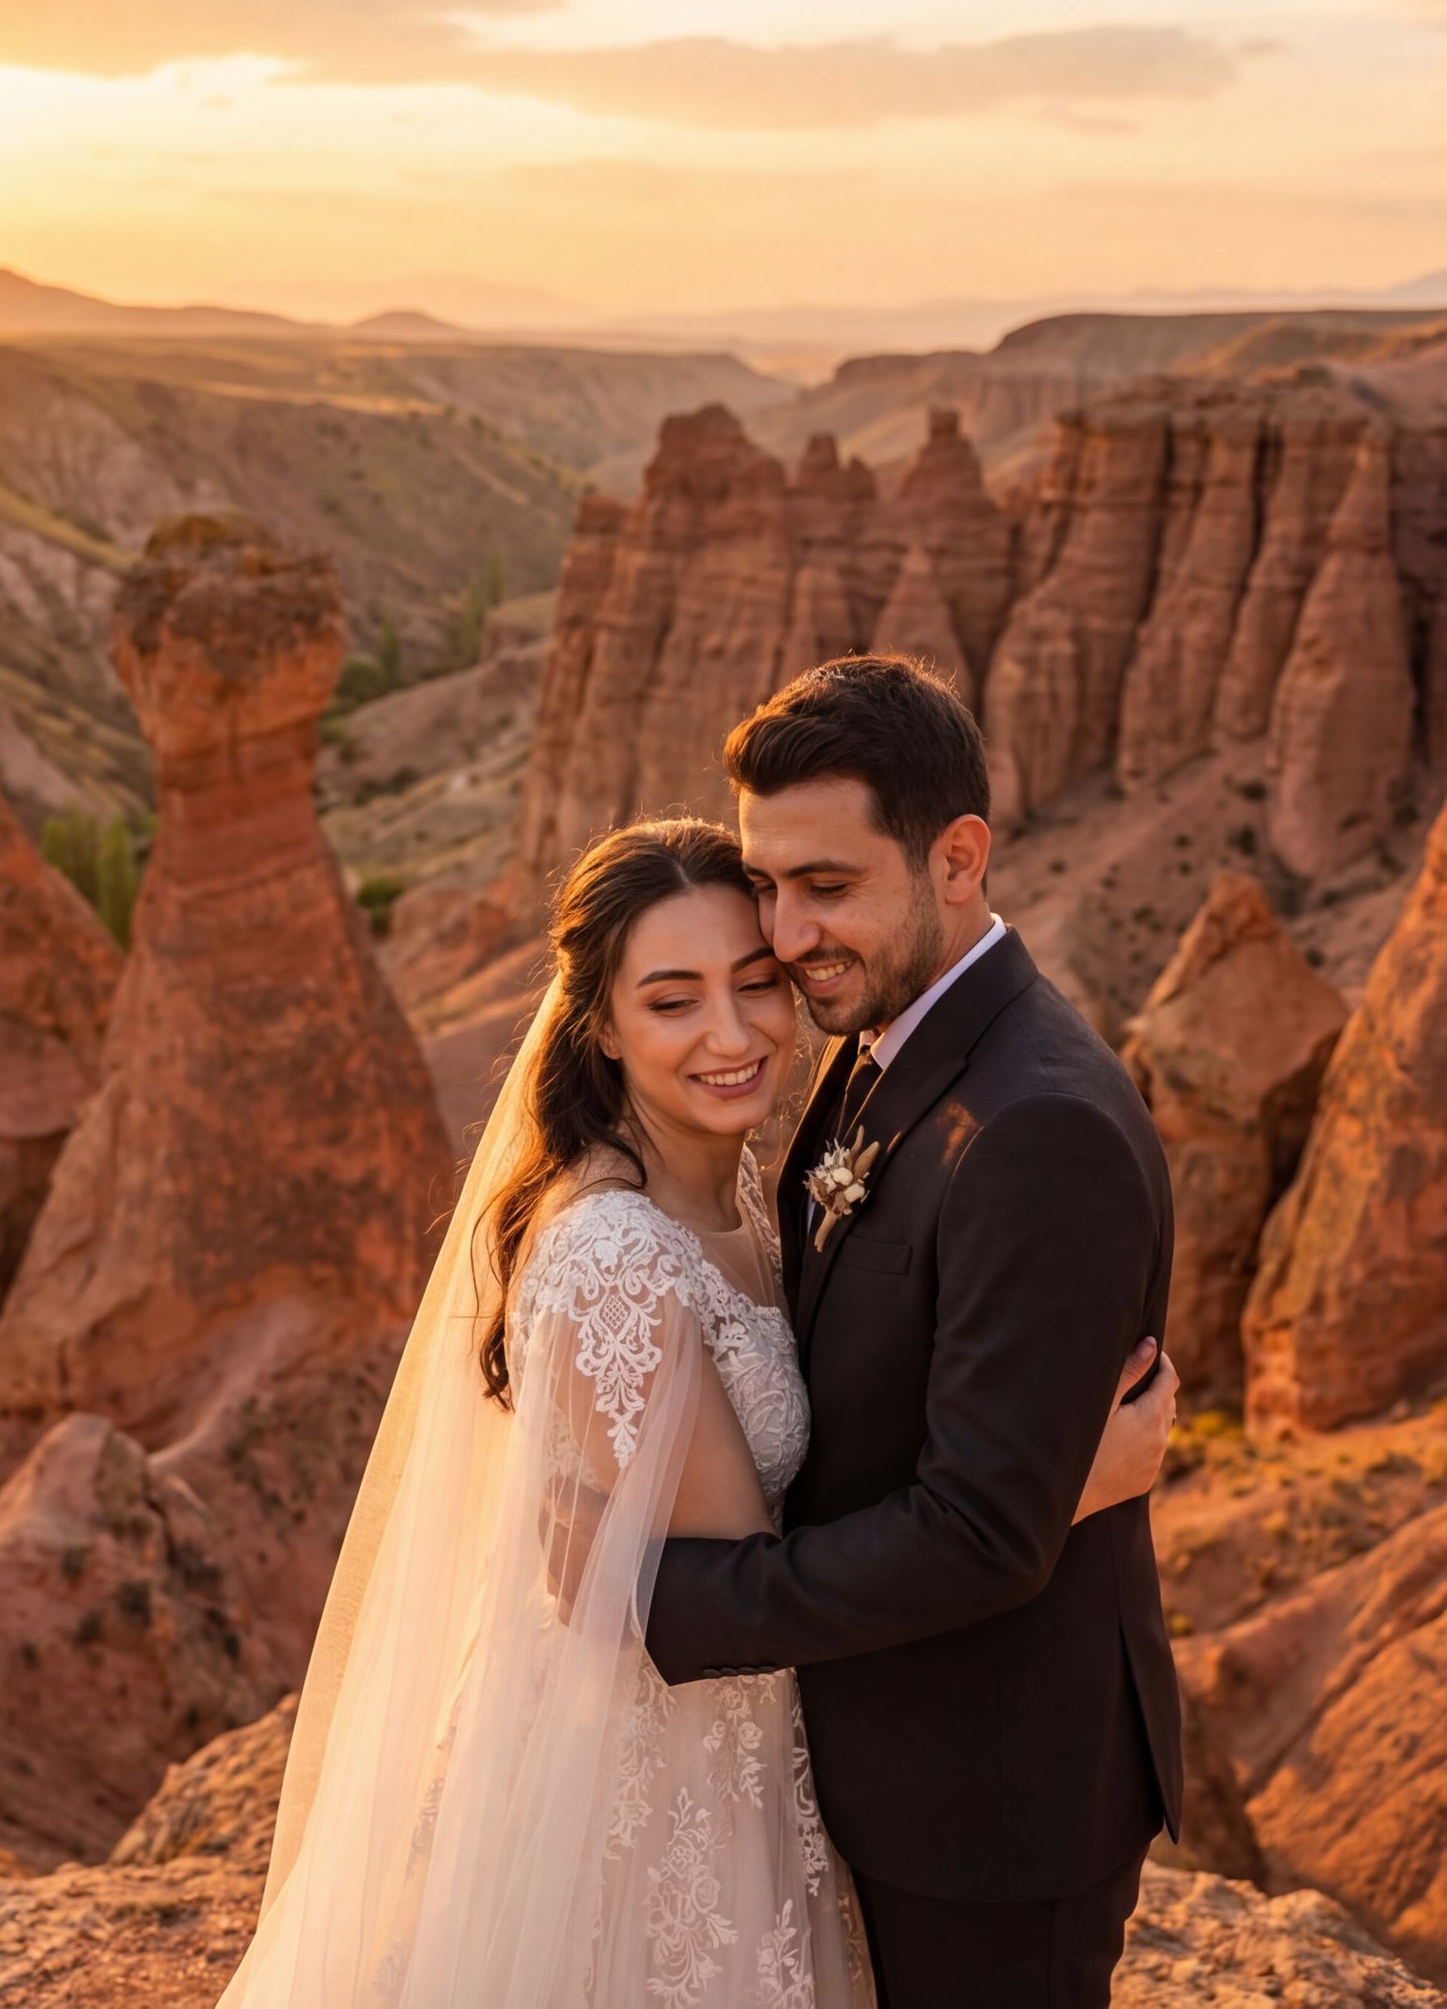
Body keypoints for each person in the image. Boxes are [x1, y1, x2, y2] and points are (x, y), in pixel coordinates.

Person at [219, 812, 1174, 2007]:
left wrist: (1018, 1487)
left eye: (757, 983)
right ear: (602, 1029)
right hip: (673, 1773)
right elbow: (752, 1580)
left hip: (747, 1745)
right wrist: (1050, 1492)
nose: (732, 1035)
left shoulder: (739, 1201)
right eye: (672, 1001)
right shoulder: (621, 1254)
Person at [644, 655, 1187, 2008]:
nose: (785, 929)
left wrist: (673, 1607)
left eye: (826, 885)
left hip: (990, 1802)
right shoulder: (886, 1037)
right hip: (893, 1752)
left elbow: (981, 1536)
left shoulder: (1037, 1126)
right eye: (768, 884)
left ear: (956, 858)